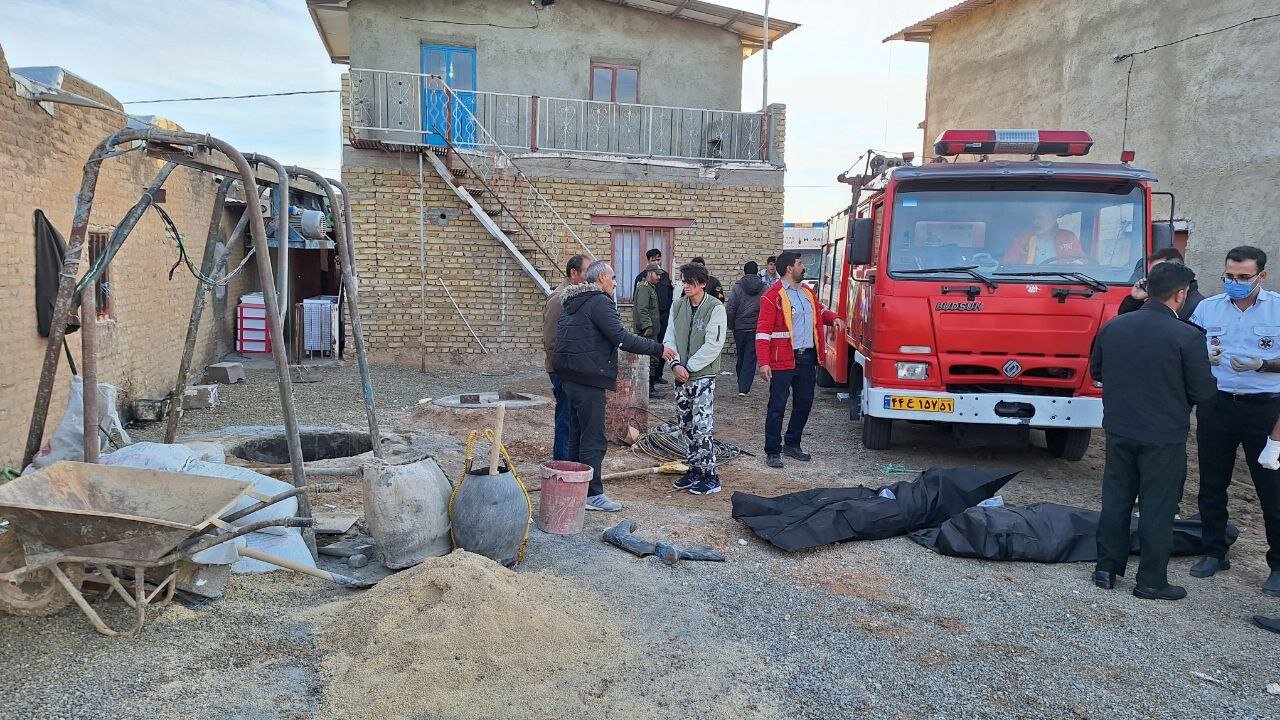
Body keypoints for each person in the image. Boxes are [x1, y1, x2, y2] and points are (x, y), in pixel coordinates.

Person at [1089, 262, 1217, 600]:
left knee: (1116, 500)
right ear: (1180, 294)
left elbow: (1097, 370)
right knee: (1157, 507)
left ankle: (1106, 568)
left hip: (1119, 427)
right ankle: (1151, 580)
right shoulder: (1188, 336)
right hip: (1163, 435)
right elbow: (1203, 392)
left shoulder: (1115, 327)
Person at [1188, 246, 1280, 597]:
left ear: (1261, 276)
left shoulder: (1277, 308)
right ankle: (1214, 551)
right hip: (1218, 403)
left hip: (1266, 408)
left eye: (1244, 278)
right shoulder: (1207, 308)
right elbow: (1190, 348)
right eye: (1229, 276)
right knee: (1212, 482)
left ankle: (1277, 564)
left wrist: (1263, 364)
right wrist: (1202, 356)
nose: (1235, 283)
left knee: (1271, 488)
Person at [553, 261, 677, 512]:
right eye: (613, 277)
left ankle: (577, 486)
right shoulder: (598, 302)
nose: (616, 282)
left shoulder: (573, 302)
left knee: (577, 435)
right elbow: (621, 338)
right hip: (588, 379)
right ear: (600, 279)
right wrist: (658, 348)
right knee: (594, 438)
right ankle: (593, 495)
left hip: (569, 378)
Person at [756, 251, 836, 468]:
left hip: (807, 359)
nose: (804, 267)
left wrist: (834, 319)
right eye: (800, 264)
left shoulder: (807, 292)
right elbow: (763, 332)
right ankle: (773, 451)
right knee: (777, 407)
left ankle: (792, 443)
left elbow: (819, 312)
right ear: (790, 268)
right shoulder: (772, 296)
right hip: (782, 359)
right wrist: (764, 362)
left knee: (804, 404)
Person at [663, 263, 727, 495]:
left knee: (702, 426)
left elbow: (714, 344)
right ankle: (694, 469)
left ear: (702, 283)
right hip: (680, 374)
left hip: (702, 375)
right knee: (685, 424)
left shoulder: (715, 308)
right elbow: (669, 337)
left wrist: (688, 366)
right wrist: (675, 364)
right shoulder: (678, 305)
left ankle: (710, 475)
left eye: (690, 282)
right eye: (683, 281)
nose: (685, 285)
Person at [542, 254, 587, 461]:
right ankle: (561, 463)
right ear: (573, 273)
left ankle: (569, 460)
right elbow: (551, 339)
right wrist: (562, 369)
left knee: (574, 418)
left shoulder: (575, 296)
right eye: (586, 272)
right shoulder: (559, 299)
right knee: (565, 418)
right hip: (562, 370)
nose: (590, 278)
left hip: (573, 369)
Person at [1119, 248, 1204, 320]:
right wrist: (1135, 300)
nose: (1153, 276)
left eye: (1159, 270)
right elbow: (1126, 323)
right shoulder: (1158, 296)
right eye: (1152, 272)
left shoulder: (1198, 306)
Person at [634, 248, 674, 386]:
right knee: (650, 353)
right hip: (650, 322)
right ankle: (649, 385)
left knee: (662, 346)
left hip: (662, 318)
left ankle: (657, 375)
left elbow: (669, 295)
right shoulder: (643, 282)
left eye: (659, 259)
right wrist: (647, 325)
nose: (657, 262)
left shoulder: (664, 276)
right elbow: (641, 305)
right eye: (654, 260)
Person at [726, 260, 766, 395]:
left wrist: (731, 324)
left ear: (744, 271)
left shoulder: (737, 287)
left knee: (741, 356)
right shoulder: (764, 287)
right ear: (757, 272)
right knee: (750, 357)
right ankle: (744, 387)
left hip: (740, 328)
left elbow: (731, 308)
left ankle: (741, 382)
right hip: (756, 327)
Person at [1003, 207, 1085, 264]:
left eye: (1040, 218)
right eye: (1034, 218)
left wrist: (1076, 265)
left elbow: (1082, 262)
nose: (1035, 222)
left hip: (1062, 284)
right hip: (1027, 283)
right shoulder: (1022, 238)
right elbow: (1008, 265)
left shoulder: (1069, 237)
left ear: (1053, 218)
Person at [632, 264, 665, 400]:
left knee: (652, 358)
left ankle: (649, 387)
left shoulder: (650, 287)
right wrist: (647, 326)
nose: (659, 277)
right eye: (656, 274)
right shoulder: (644, 288)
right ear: (649, 273)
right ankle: (648, 389)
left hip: (652, 331)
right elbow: (642, 309)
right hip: (648, 332)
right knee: (650, 359)